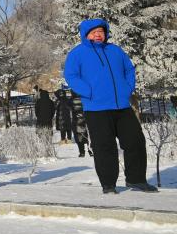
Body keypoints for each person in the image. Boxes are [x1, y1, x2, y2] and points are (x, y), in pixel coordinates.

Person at [63, 19, 157, 193]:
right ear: (86, 35)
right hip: (96, 108)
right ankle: (108, 184)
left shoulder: (115, 50)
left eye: (101, 31)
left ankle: (136, 180)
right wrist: (88, 91)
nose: (98, 34)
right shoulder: (77, 53)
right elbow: (71, 75)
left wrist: (127, 89)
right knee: (104, 147)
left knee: (135, 141)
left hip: (122, 106)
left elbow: (129, 69)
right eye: (94, 32)